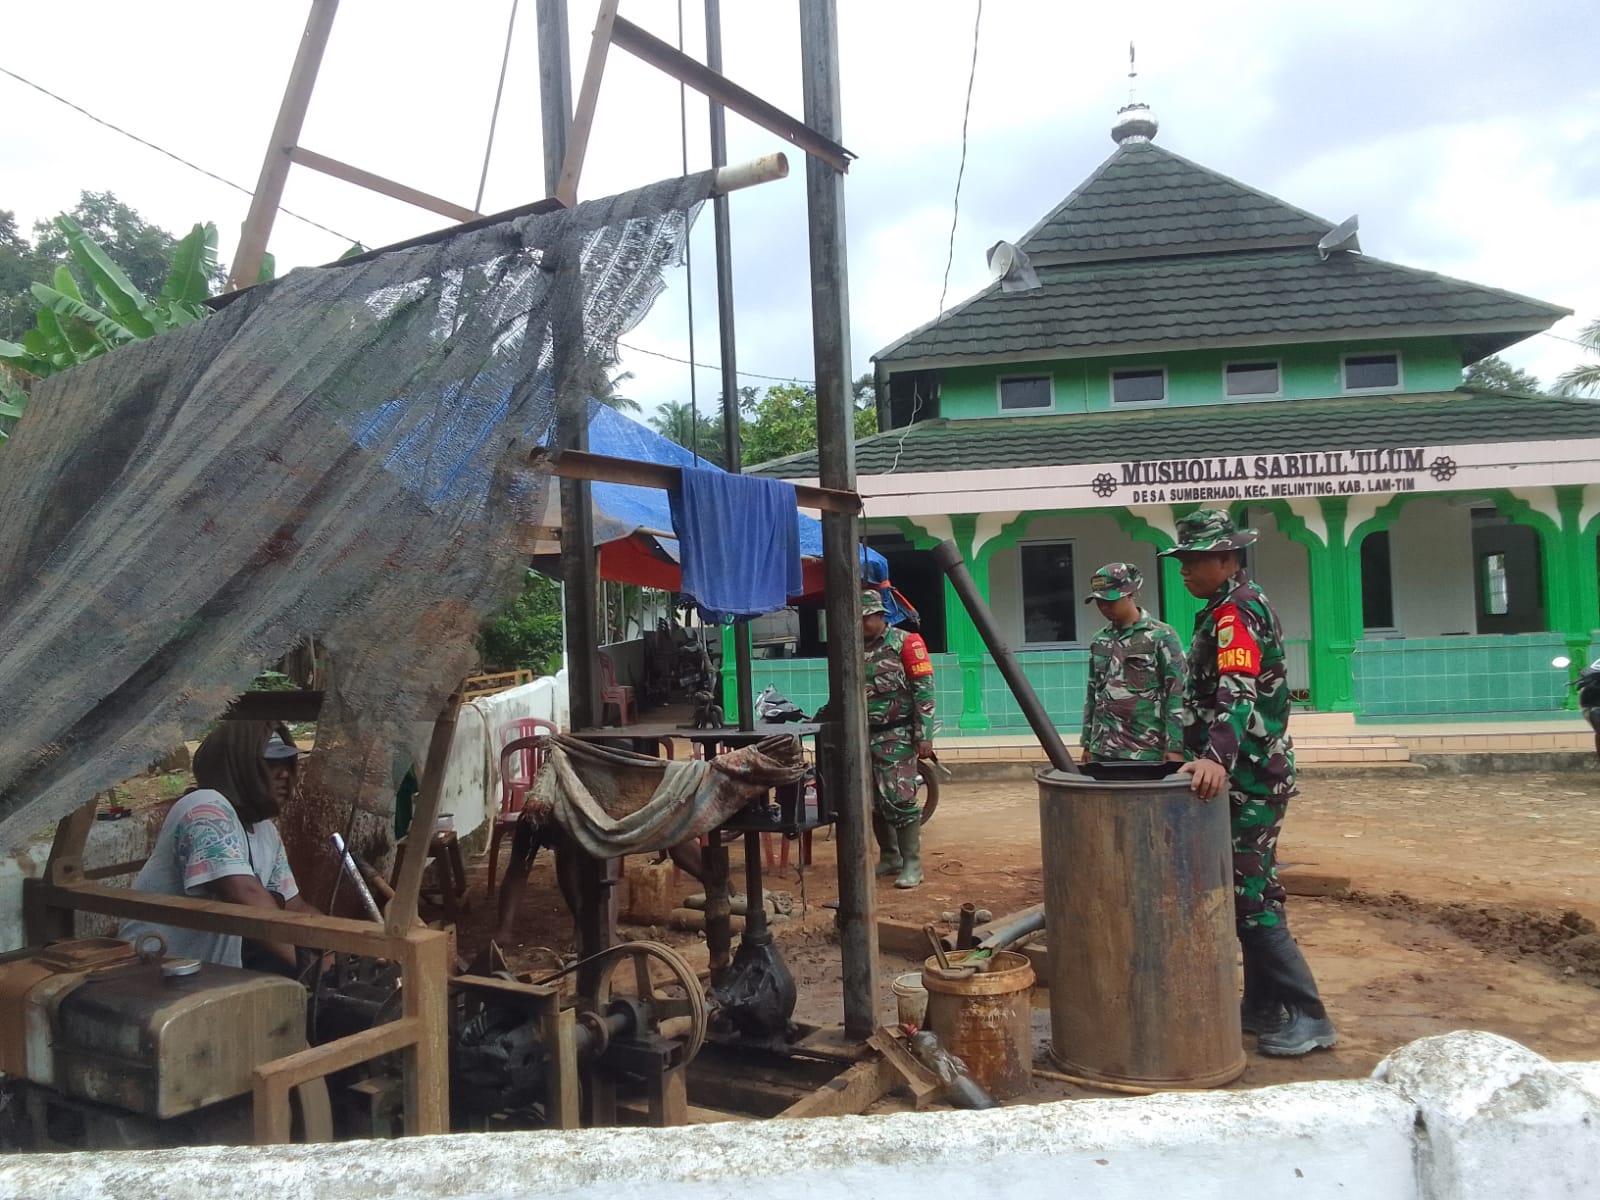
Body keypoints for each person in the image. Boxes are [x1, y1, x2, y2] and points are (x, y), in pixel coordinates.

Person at [1162, 509, 1337, 1057]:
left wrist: (1216, 757)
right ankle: (1263, 1006)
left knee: (1249, 898)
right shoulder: (1228, 606)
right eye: (1182, 561)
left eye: (1194, 561)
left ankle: (1311, 1015)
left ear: (1226, 559)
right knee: (1256, 891)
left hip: (1249, 777)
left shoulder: (1236, 611)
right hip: (1253, 773)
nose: (1185, 571)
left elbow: (1238, 689)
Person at [120, 721, 322, 972]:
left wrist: (340, 947)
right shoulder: (205, 807)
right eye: (271, 764)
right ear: (236, 767)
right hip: (152, 970)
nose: (284, 774)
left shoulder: (266, 830)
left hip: (208, 976)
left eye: (287, 763)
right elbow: (244, 893)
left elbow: (295, 906)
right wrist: (312, 967)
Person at [862, 588, 936, 888]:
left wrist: (923, 735)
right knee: (873, 800)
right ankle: (890, 856)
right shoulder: (852, 646)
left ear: (880, 615)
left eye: (866, 618)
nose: (861, 625)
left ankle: (912, 864)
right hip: (863, 735)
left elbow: (924, 691)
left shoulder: (906, 643)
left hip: (897, 734)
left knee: (900, 798)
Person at [1079, 562, 1187, 764]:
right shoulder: (1099, 640)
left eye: (1110, 601)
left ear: (1130, 594)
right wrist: (1087, 742)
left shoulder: (1161, 636)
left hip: (1145, 751)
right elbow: (1092, 693)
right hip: (1103, 751)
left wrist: (1176, 746)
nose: (1104, 607)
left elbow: (1177, 693)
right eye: (1099, 602)